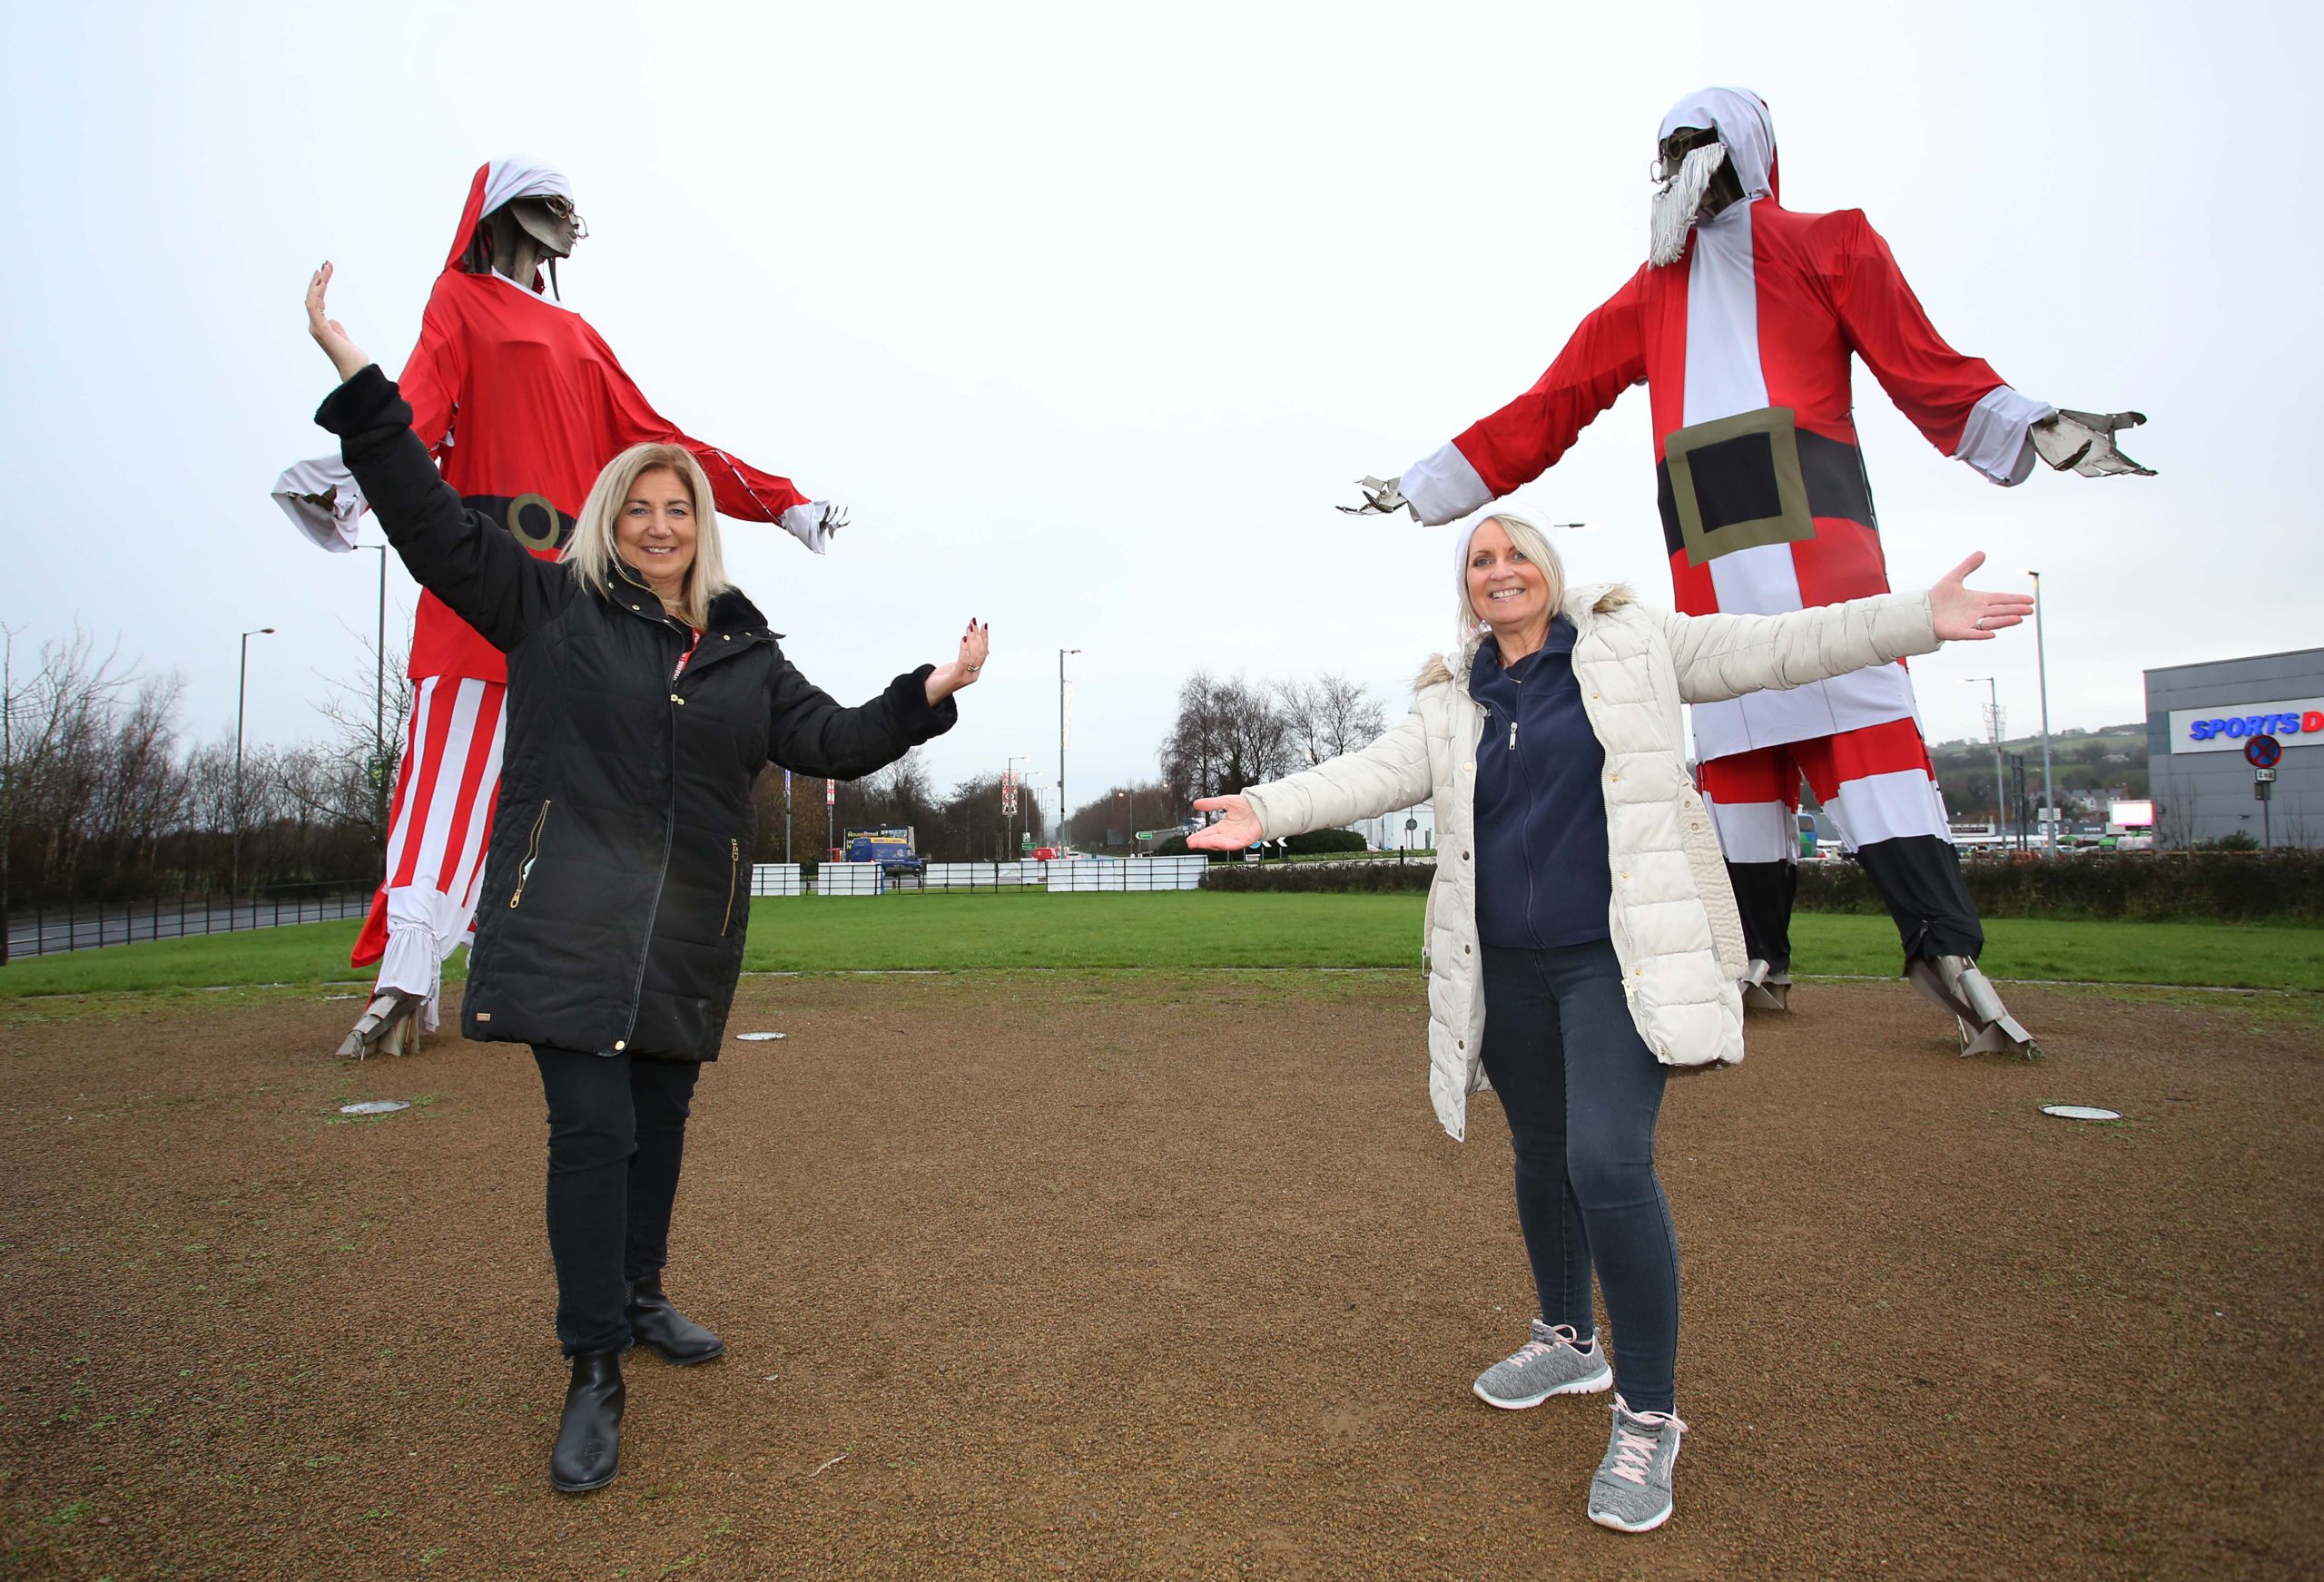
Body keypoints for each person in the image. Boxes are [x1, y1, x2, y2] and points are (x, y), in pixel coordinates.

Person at [1189, 512, 2030, 1532]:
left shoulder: (1633, 644)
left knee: (1606, 1163)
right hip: (1507, 968)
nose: (1500, 571)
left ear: (1550, 569)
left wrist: (1916, 619)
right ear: (1468, 590)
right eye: (1480, 561)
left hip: (1615, 962)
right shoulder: (1453, 697)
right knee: (1541, 1154)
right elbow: (1369, 773)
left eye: (1515, 554)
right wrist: (1264, 807)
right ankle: (1567, 1342)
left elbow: (1775, 647)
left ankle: (1648, 1416)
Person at [301, 262, 989, 1495]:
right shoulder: (548, 603)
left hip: (681, 934)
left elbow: (828, 740)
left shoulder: (743, 653)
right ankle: (592, 1368)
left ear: (701, 528)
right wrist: (361, 380)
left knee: (659, 1128)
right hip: (567, 921)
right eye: (640, 508)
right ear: (611, 518)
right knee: (594, 1128)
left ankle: (640, 1292)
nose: (661, 526)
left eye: (679, 509)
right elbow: (426, 516)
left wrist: (923, 696)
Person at [1344, 87, 2152, 1055]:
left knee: (1859, 723)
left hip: (1817, 539)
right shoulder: (1649, 295)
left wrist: (2030, 424)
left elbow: (1918, 361)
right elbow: (1548, 405)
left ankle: (1945, 951)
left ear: (1744, 151)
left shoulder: (1828, 244)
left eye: (1700, 147)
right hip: (1708, 556)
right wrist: (1425, 483)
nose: (1684, 169)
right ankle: (1757, 954)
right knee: (1735, 751)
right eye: (1670, 150)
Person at [272, 159, 848, 1061]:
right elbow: (419, 411)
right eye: (537, 212)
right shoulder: (458, 302)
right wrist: (356, 470)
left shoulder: (580, 336)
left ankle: (595, 977)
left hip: (583, 598)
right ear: (497, 223)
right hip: (488, 574)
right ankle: (404, 980)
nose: (554, 231)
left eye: (562, 214)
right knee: (448, 777)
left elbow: (667, 443)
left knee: (598, 794)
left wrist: (778, 501)